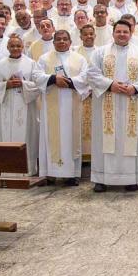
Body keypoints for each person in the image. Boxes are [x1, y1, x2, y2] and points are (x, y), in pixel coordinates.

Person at [86, 21, 138, 192]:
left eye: (125, 32)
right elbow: (92, 73)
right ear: (113, 33)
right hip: (107, 103)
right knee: (104, 139)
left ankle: (131, 179)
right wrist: (110, 85)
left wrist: (135, 88)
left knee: (130, 140)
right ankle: (101, 179)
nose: (122, 34)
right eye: (118, 31)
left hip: (131, 102)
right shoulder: (100, 53)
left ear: (131, 33)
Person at [34, 30, 90, 185]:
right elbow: (36, 76)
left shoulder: (79, 59)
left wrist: (68, 82)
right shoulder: (44, 58)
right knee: (50, 137)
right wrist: (53, 79)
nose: (62, 42)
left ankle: (71, 174)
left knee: (70, 137)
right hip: (51, 106)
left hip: (72, 105)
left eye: (65, 39)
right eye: (58, 39)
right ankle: (50, 174)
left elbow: (85, 77)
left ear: (70, 42)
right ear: (53, 42)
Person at [0, 36, 42, 174]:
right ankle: (8, 170)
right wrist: (6, 84)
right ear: (7, 47)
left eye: (18, 46)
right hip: (6, 106)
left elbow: (38, 84)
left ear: (23, 47)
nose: (15, 48)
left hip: (26, 107)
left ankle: (28, 169)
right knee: (6, 137)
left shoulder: (31, 63)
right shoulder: (0, 64)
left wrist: (23, 83)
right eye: (12, 46)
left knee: (27, 137)